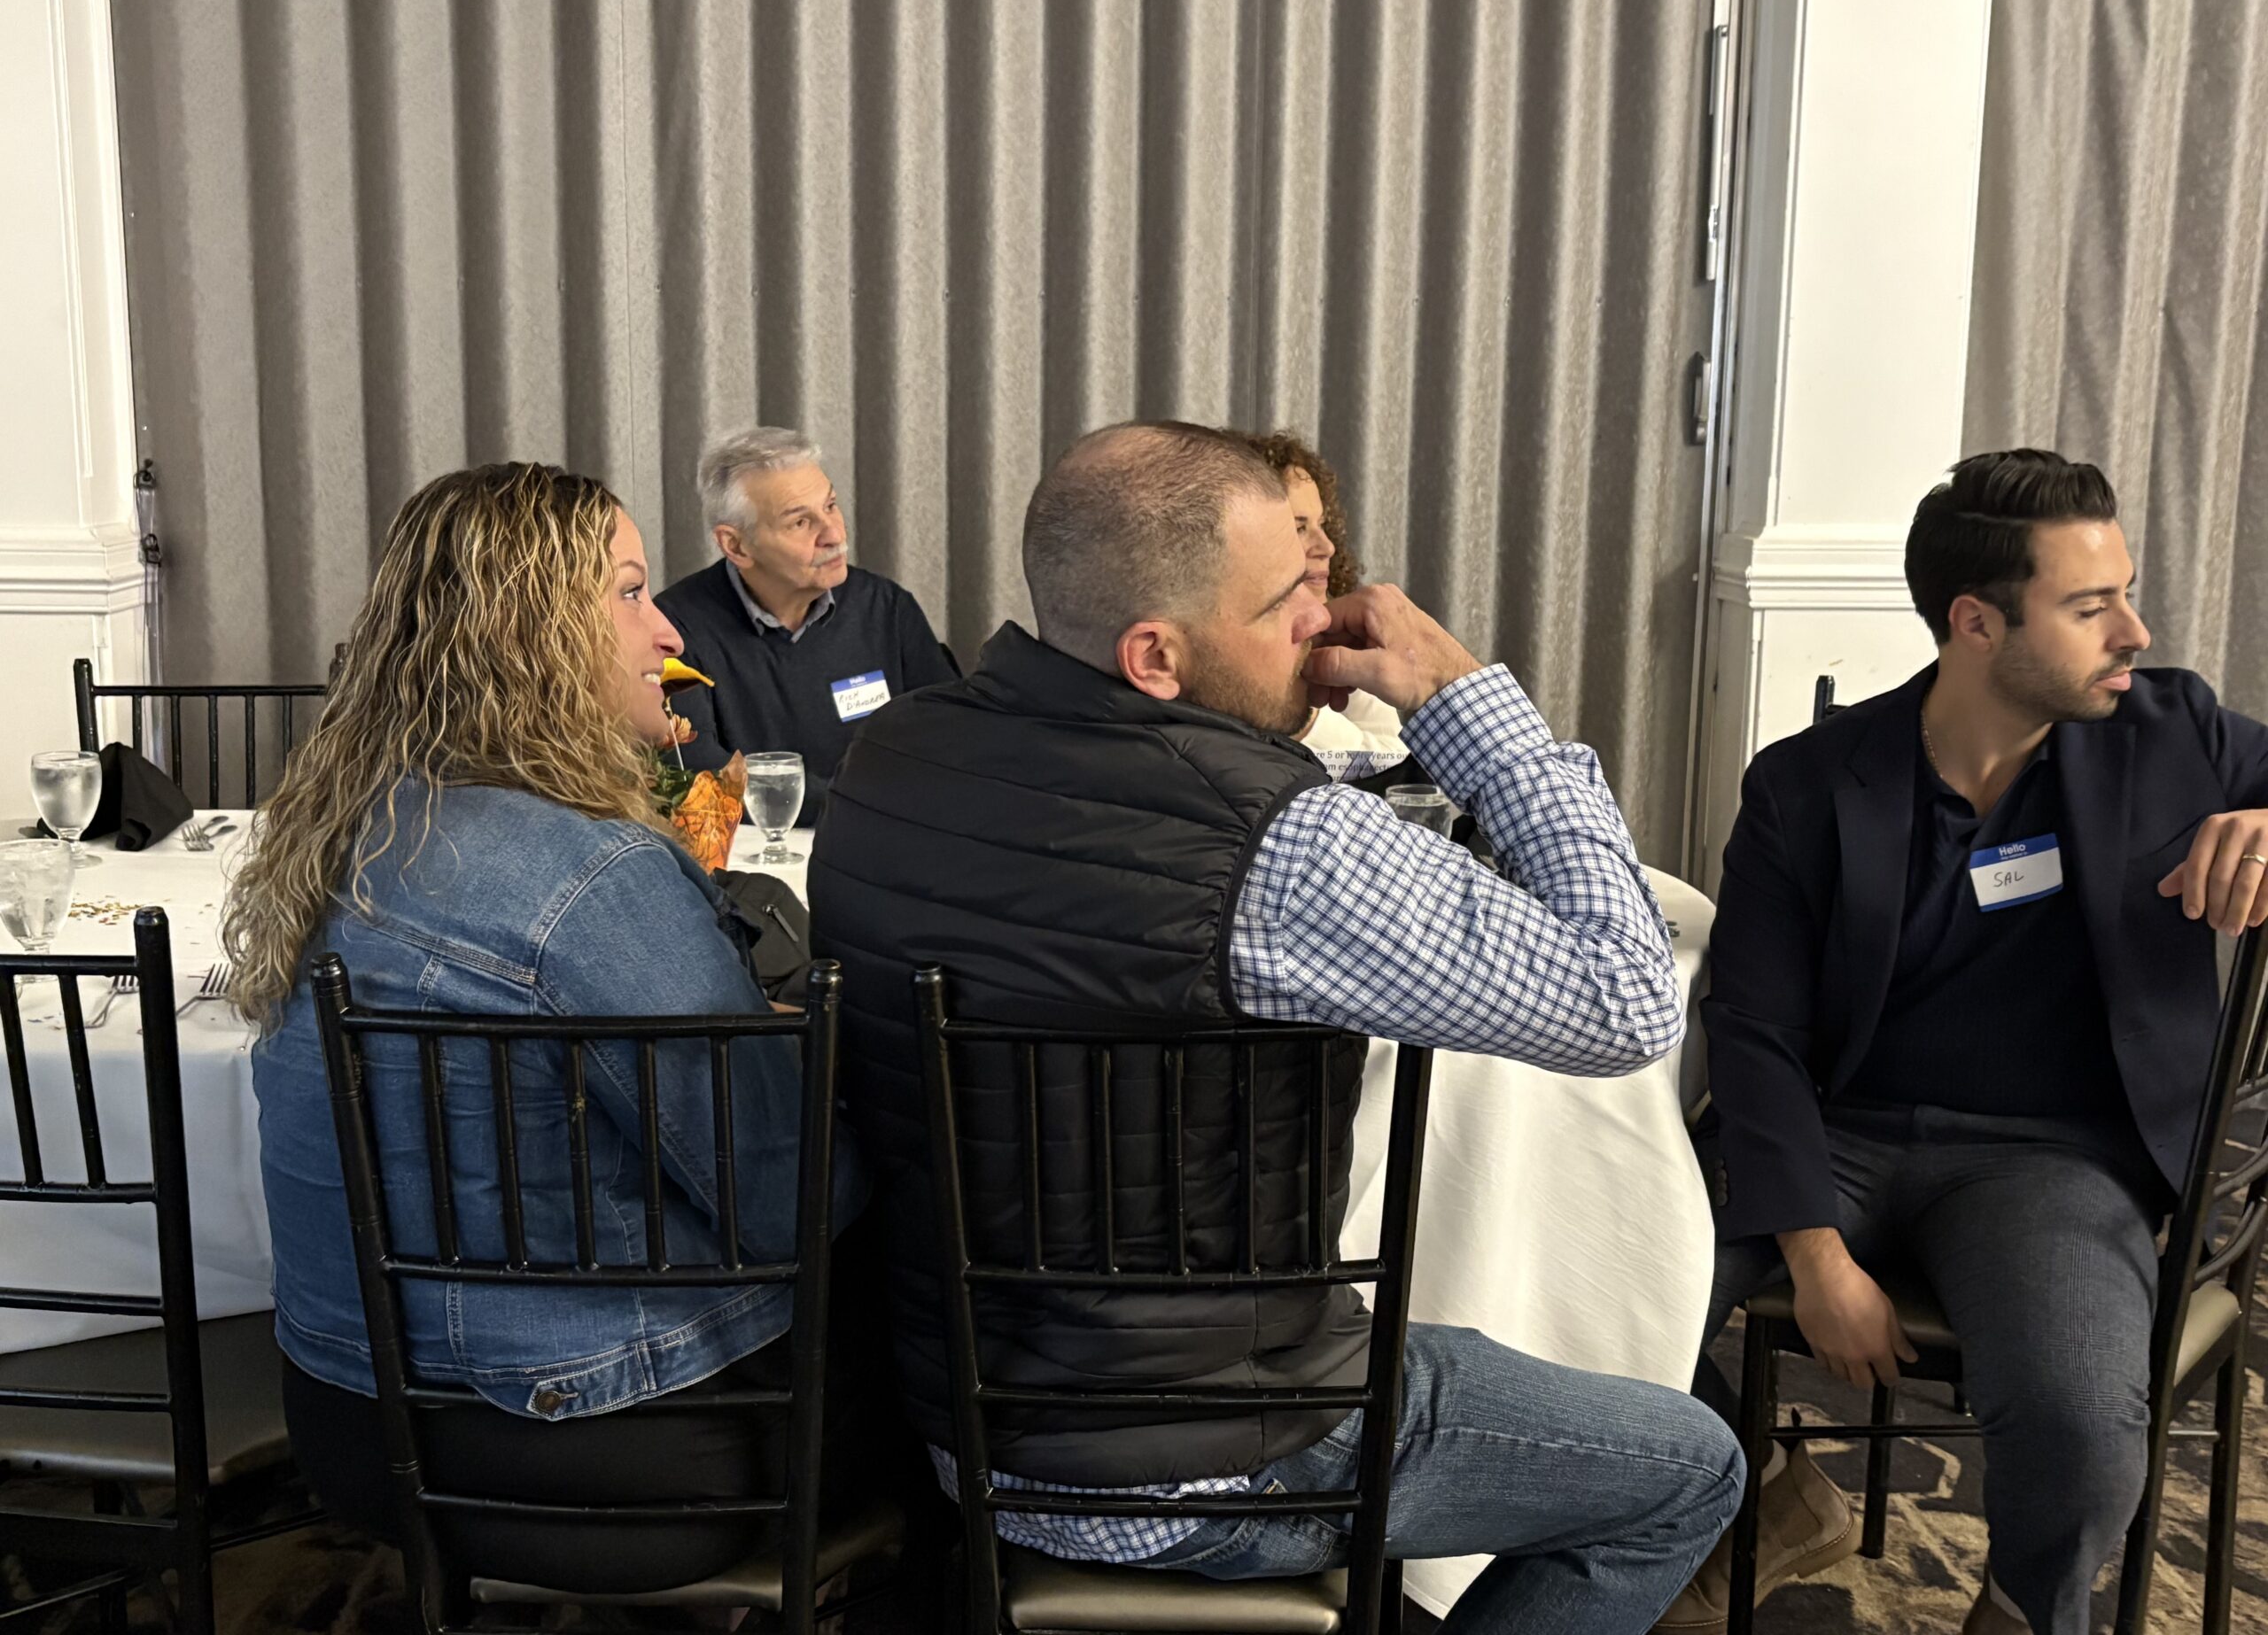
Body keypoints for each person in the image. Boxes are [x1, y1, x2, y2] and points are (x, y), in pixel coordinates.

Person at [811, 422, 1743, 1635]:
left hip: (959, 1421)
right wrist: (1464, 702)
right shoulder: (1271, 843)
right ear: (1155, 655)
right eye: (1287, 601)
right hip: (1207, 1455)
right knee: (1689, 1469)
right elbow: (1625, 999)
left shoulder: (891, 758)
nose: (1325, 618)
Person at [223, 462, 872, 1593]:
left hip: (349, 1424)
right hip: (594, 1446)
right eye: (627, 591)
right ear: (532, 637)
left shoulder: (349, 828)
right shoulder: (595, 876)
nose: (666, 627)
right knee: (922, 1295)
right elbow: (783, 1195)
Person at [1677, 449, 2268, 1635]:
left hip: (2053, 1161)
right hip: (1834, 1133)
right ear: (1976, 622)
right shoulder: (1807, 783)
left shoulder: (2175, 733)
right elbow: (1753, 1032)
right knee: (1592, 1287)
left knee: (2079, 1423)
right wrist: (1814, 1257)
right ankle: (1763, 1495)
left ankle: (2020, 1608)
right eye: (2090, 607)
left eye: (2125, 594)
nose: (2134, 631)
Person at [656, 427, 958, 823]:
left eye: (830, 506)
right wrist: (858, 807)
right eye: (800, 522)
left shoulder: (886, 608)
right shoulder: (675, 631)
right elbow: (696, 774)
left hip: (886, 838)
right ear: (736, 546)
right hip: (759, 853)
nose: (833, 534)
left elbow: (951, 738)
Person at [1240, 429, 1406, 758]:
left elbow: (1392, 761)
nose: (1327, 546)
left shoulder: (1342, 634)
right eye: (1299, 528)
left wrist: (1303, 719)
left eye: (1322, 525)